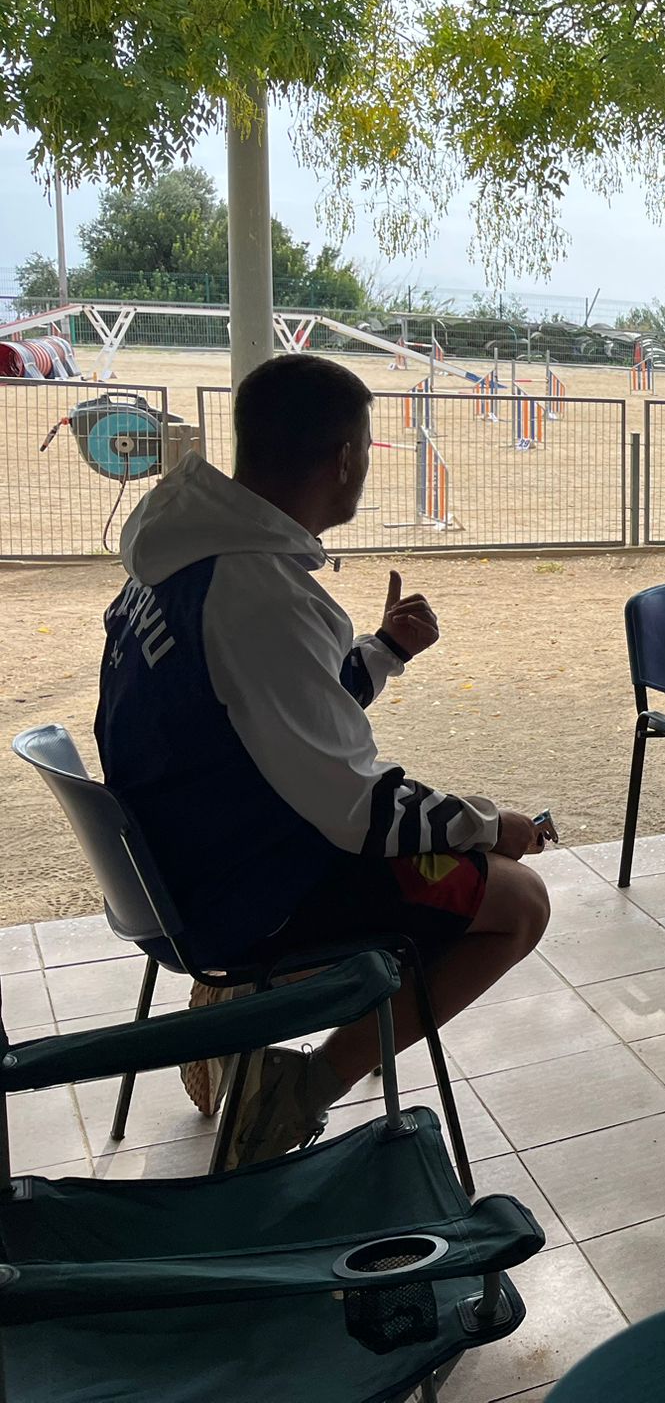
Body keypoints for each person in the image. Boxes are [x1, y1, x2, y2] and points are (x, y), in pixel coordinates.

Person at [95, 353, 552, 1167]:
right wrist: (490, 826)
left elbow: (266, 714)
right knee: (518, 901)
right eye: (367, 450)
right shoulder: (258, 591)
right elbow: (357, 813)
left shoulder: (184, 554)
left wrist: (383, 652)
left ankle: (246, 1008)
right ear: (345, 458)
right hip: (243, 894)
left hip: (176, 866)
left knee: (452, 854)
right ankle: (293, 1090)